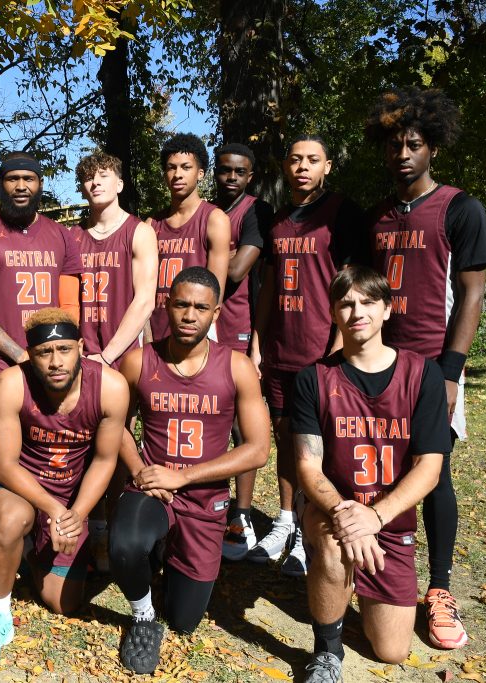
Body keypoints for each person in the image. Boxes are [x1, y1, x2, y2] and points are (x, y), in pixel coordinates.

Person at [364, 87, 486, 650]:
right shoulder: (380, 217)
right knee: (378, 468)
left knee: (433, 473)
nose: (403, 154)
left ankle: (438, 590)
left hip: (433, 366)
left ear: (432, 147)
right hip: (381, 363)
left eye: (413, 144)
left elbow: (471, 296)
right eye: (394, 145)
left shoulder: (460, 208)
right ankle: (378, 571)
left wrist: (450, 371)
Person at [110, 267, 270, 674]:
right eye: (181, 304)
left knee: (183, 621)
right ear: (167, 305)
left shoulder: (236, 367)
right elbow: (116, 427)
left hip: (204, 498)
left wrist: (182, 476)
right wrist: (143, 471)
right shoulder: (138, 361)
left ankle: (168, 552)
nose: (189, 315)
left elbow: (257, 450)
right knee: (126, 545)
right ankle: (143, 615)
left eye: (201, 307)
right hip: (152, 490)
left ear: (216, 314)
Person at [293, 266, 450, 682]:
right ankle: (327, 650)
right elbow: (308, 465)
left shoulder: (423, 374)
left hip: (390, 520)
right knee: (330, 539)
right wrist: (348, 515)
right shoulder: (314, 378)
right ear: (332, 313)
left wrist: (374, 518)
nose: (356, 311)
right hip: (335, 509)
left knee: (392, 651)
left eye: (367, 302)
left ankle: (348, 585)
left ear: (387, 309)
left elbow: (430, 468)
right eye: (345, 303)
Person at [0, 308, 128, 671]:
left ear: (81, 348)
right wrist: (54, 511)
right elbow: (4, 465)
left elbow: (104, 460)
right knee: (12, 518)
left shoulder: (111, 387)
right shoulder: (12, 383)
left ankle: (24, 553)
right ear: (30, 353)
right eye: (44, 353)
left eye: (65, 350)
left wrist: (76, 516)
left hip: (72, 494)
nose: (55, 361)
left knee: (63, 603)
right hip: (18, 486)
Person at [0, 152, 82, 589]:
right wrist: (21, 355)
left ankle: (42, 544)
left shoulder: (62, 237)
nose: (21, 187)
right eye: (12, 180)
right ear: (1, 184)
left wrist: (58, 358)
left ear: (41, 183)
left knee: (49, 452)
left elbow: (70, 308)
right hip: (1, 366)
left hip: (54, 367)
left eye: (29, 178)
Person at [248, 135, 367, 576]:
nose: (302, 167)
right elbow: (268, 289)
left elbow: (353, 282)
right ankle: (284, 520)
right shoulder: (277, 221)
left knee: (318, 445)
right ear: (285, 165)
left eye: (312, 160)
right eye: (295, 159)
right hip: (279, 351)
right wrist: (258, 343)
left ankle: (309, 531)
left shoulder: (340, 213)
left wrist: (339, 345)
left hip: (321, 350)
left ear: (327, 166)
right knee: (285, 439)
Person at [210, 143, 274, 561]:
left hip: (236, 323)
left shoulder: (256, 211)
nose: (231, 177)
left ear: (250, 176)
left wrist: (217, 254)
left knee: (239, 424)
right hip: (203, 325)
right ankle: (210, 505)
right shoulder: (211, 212)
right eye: (225, 171)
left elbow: (234, 271)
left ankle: (243, 513)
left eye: (239, 172)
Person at [73, 151, 157, 368]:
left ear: (119, 185)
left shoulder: (140, 232)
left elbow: (145, 300)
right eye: (89, 178)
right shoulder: (71, 237)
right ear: (82, 189)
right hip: (79, 356)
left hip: (123, 354)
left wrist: (106, 356)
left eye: (103, 175)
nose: (95, 183)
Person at [148, 133, 230, 341]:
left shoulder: (214, 219)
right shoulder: (151, 224)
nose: (177, 174)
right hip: (156, 329)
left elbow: (215, 290)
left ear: (200, 173)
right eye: (171, 167)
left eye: (186, 167)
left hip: (195, 332)